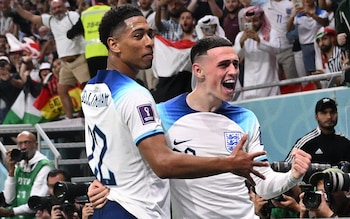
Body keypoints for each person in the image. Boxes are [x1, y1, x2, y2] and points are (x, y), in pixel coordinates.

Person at [86, 35, 312, 218]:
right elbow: (127, 161)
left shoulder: (247, 119)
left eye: (235, 64)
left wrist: (292, 175)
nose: (233, 71)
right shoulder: (161, 114)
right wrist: (102, 184)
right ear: (198, 71)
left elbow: (263, 184)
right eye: (223, 65)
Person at [13, 0, 91, 119]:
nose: (57, 10)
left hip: (79, 59)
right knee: (62, 90)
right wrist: (17, 8)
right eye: (54, 8)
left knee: (89, 90)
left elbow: (80, 28)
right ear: (51, 11)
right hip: (65, 63)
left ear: (65, 7)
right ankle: (69, 119)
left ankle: (91, 116)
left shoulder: (73, 16)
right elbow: (31, 17)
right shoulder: (50, 20)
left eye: (59, 7)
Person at [285, 97, 350, 181]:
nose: (329, 116)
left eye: (332, 112)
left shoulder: (345, 142)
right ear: (316, 116)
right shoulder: (306, 142)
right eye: (324, 113)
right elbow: (286, 167)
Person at [0, 131, 53, 218]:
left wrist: (10, 212)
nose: (23, 147)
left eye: (27, 143)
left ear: (36, 145)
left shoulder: (44, 167)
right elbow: (9, 199)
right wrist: (11, 171)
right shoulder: (20, 165)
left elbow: (35, 203)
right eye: (20, 143)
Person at [233, 5, 280, 100]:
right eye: (249, 21)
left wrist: (259, 41)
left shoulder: (271, 33)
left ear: (262, 19)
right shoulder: (240, 36)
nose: (252, 24)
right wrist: (241, 43)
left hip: (268, 82)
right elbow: (234, 57)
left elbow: (277, 50)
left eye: (255, 20)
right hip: (250, 84)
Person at [67, 0, 110, 78]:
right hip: (109, 52)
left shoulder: (85, 14)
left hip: (92, 55)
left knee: (97, 83)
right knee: (111, 81)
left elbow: (70, 34)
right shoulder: (109, 10)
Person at [286, 0, 329, 75]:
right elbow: (288, 28)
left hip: (320, 45)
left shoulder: (322, 12)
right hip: (306, 47)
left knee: (323, 69)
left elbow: (325, 23)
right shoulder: (298, 15)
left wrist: (311, 15)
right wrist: (293, 15)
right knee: (311, 73)